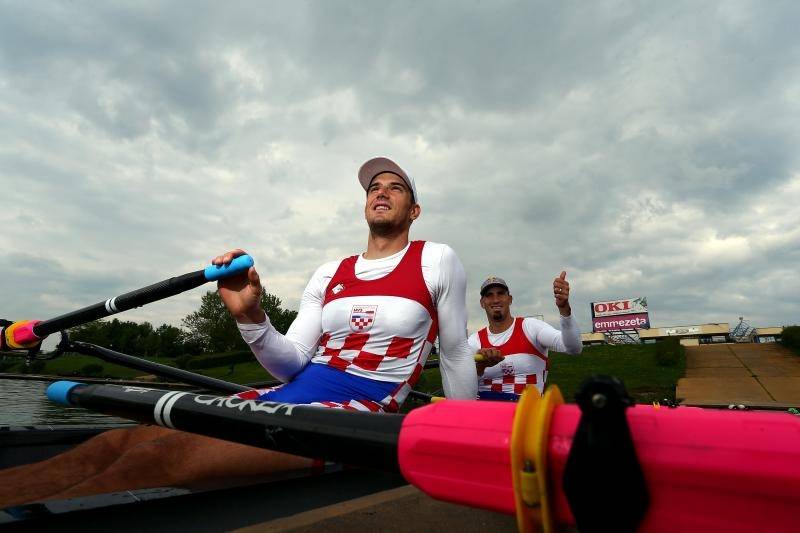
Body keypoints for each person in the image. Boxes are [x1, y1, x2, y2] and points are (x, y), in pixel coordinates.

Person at [0, 157, 478, 507]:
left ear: (414, 211)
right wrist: (250, 316)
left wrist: (470, 443)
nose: (381, 191)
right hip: (294, 390)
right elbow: (290, 361)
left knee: (155, 460)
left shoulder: (436, 259)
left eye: (396, 187)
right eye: (374, 186)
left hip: (361, 412)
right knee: (119, 441)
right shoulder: (329, 272)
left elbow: (455, 354)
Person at [468, 274, 582, 401]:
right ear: (482, 303)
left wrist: (564, 308)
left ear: (510, 299)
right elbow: (462, 389)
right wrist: (480, 368)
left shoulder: (530, 327)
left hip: (526, 417)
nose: (495, 300)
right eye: (489, 295)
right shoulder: (474, 341)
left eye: (500, 293)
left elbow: (574, 348)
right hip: (486, 416)